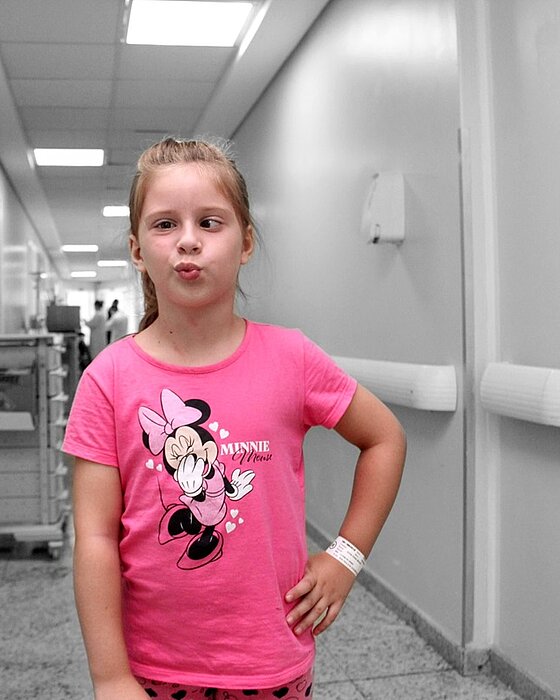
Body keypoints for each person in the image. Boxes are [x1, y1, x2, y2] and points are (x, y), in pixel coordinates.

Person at [61, 137, 406, 700]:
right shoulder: (109, 378)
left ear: (245, 242)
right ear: (137, 249)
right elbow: (96, 537)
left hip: (271, 665)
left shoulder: (291, 359)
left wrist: (345, 557)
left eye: (210, 222)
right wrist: (110, 676)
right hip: (151, 669)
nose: (188, 240)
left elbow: (384, 438)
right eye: (165, 224)